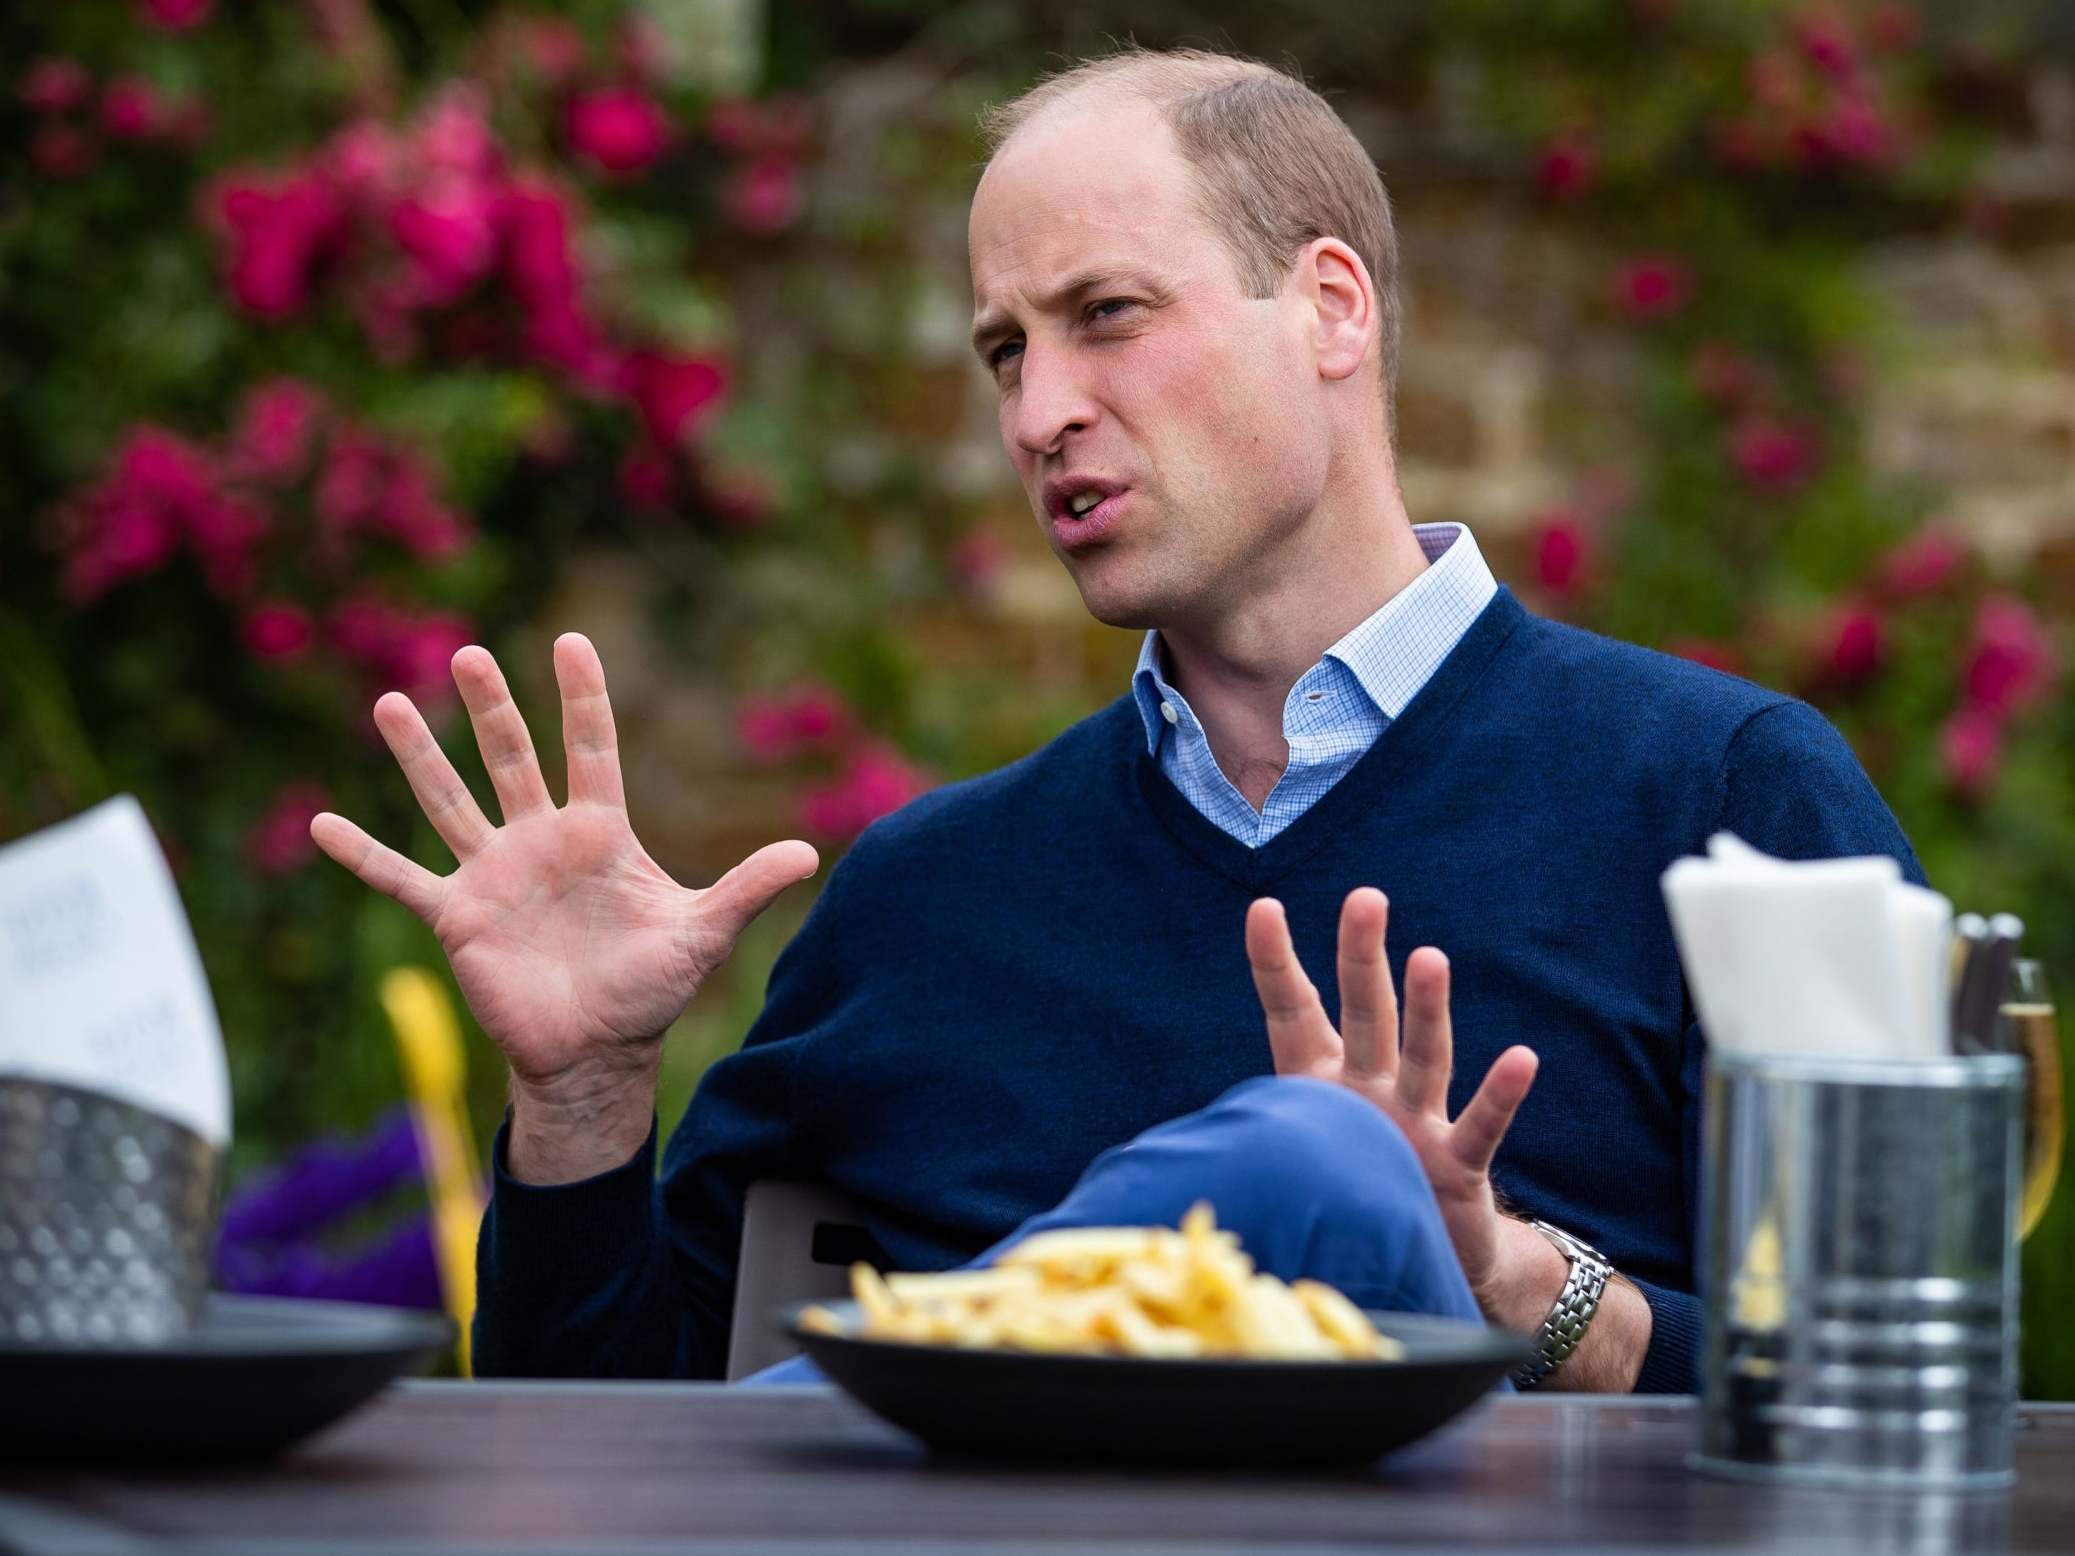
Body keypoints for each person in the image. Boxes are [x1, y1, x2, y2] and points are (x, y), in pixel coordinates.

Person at [313, 46, 1921, 1395]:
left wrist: (1529, 1294)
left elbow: (1905, 1408)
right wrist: (585, 1097)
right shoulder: (923, 904)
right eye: (1006, 350)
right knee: (1311, 1178)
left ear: (1332, 310)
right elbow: (603, 1459)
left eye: (1108, 316)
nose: (1038, 413)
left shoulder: (1729, 803)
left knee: (1326, 1182)